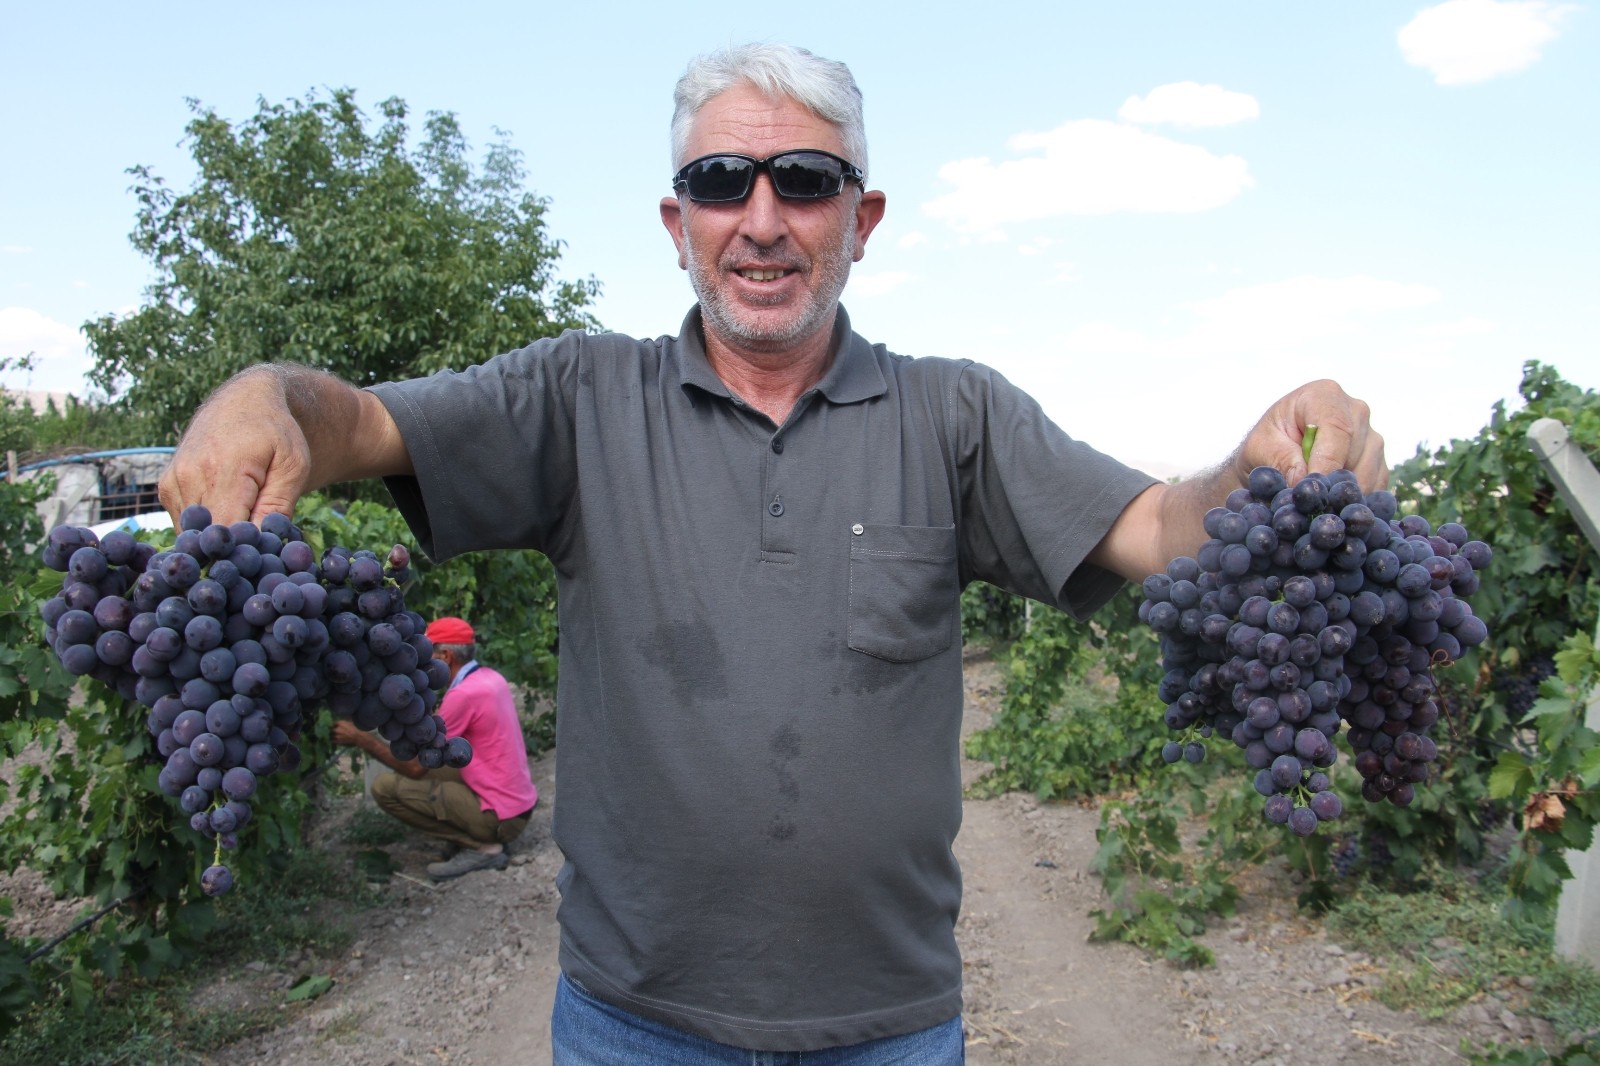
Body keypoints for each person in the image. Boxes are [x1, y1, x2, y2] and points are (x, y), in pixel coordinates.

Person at [159, 42, 1385, 1064]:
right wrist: (259, 398)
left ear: (862, 219)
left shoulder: (955, 416)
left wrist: (1257, 462)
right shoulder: (580, 398)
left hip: (888, 1028)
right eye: (719, 179)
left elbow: (1164, 527)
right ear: (674, 219)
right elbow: (359, 423)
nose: (760, 218)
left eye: (802, 180)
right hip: (631, 1023)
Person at [331, 616, 538, 881]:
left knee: (386, 788)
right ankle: (478, 833)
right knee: (435, 772)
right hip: (518, 803)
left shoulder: (463, 695)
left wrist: (362, 739)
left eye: (428, 656)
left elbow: (417, 766)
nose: (419, 665)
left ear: (446, 656)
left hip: (502, 819)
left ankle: (482, 848)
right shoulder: (490, 678)